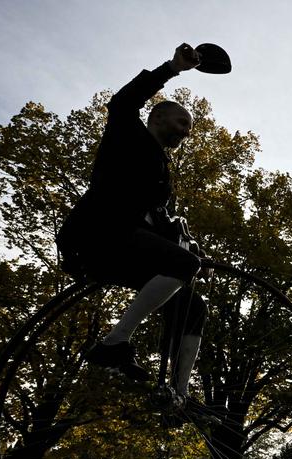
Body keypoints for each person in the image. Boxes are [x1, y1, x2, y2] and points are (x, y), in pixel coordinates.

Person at [55, 44, 210, 399]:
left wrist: (182, 236)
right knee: (184, 264)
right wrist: (172, 68)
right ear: (157, 118)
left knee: (192, 303)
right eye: (182, 121)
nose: (186, 130)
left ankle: (180, 394)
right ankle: (115, 341)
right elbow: (123, 102)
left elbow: (156, 220)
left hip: (125, 244)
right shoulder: (127, 134)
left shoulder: (160, 174)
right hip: (97, 235)